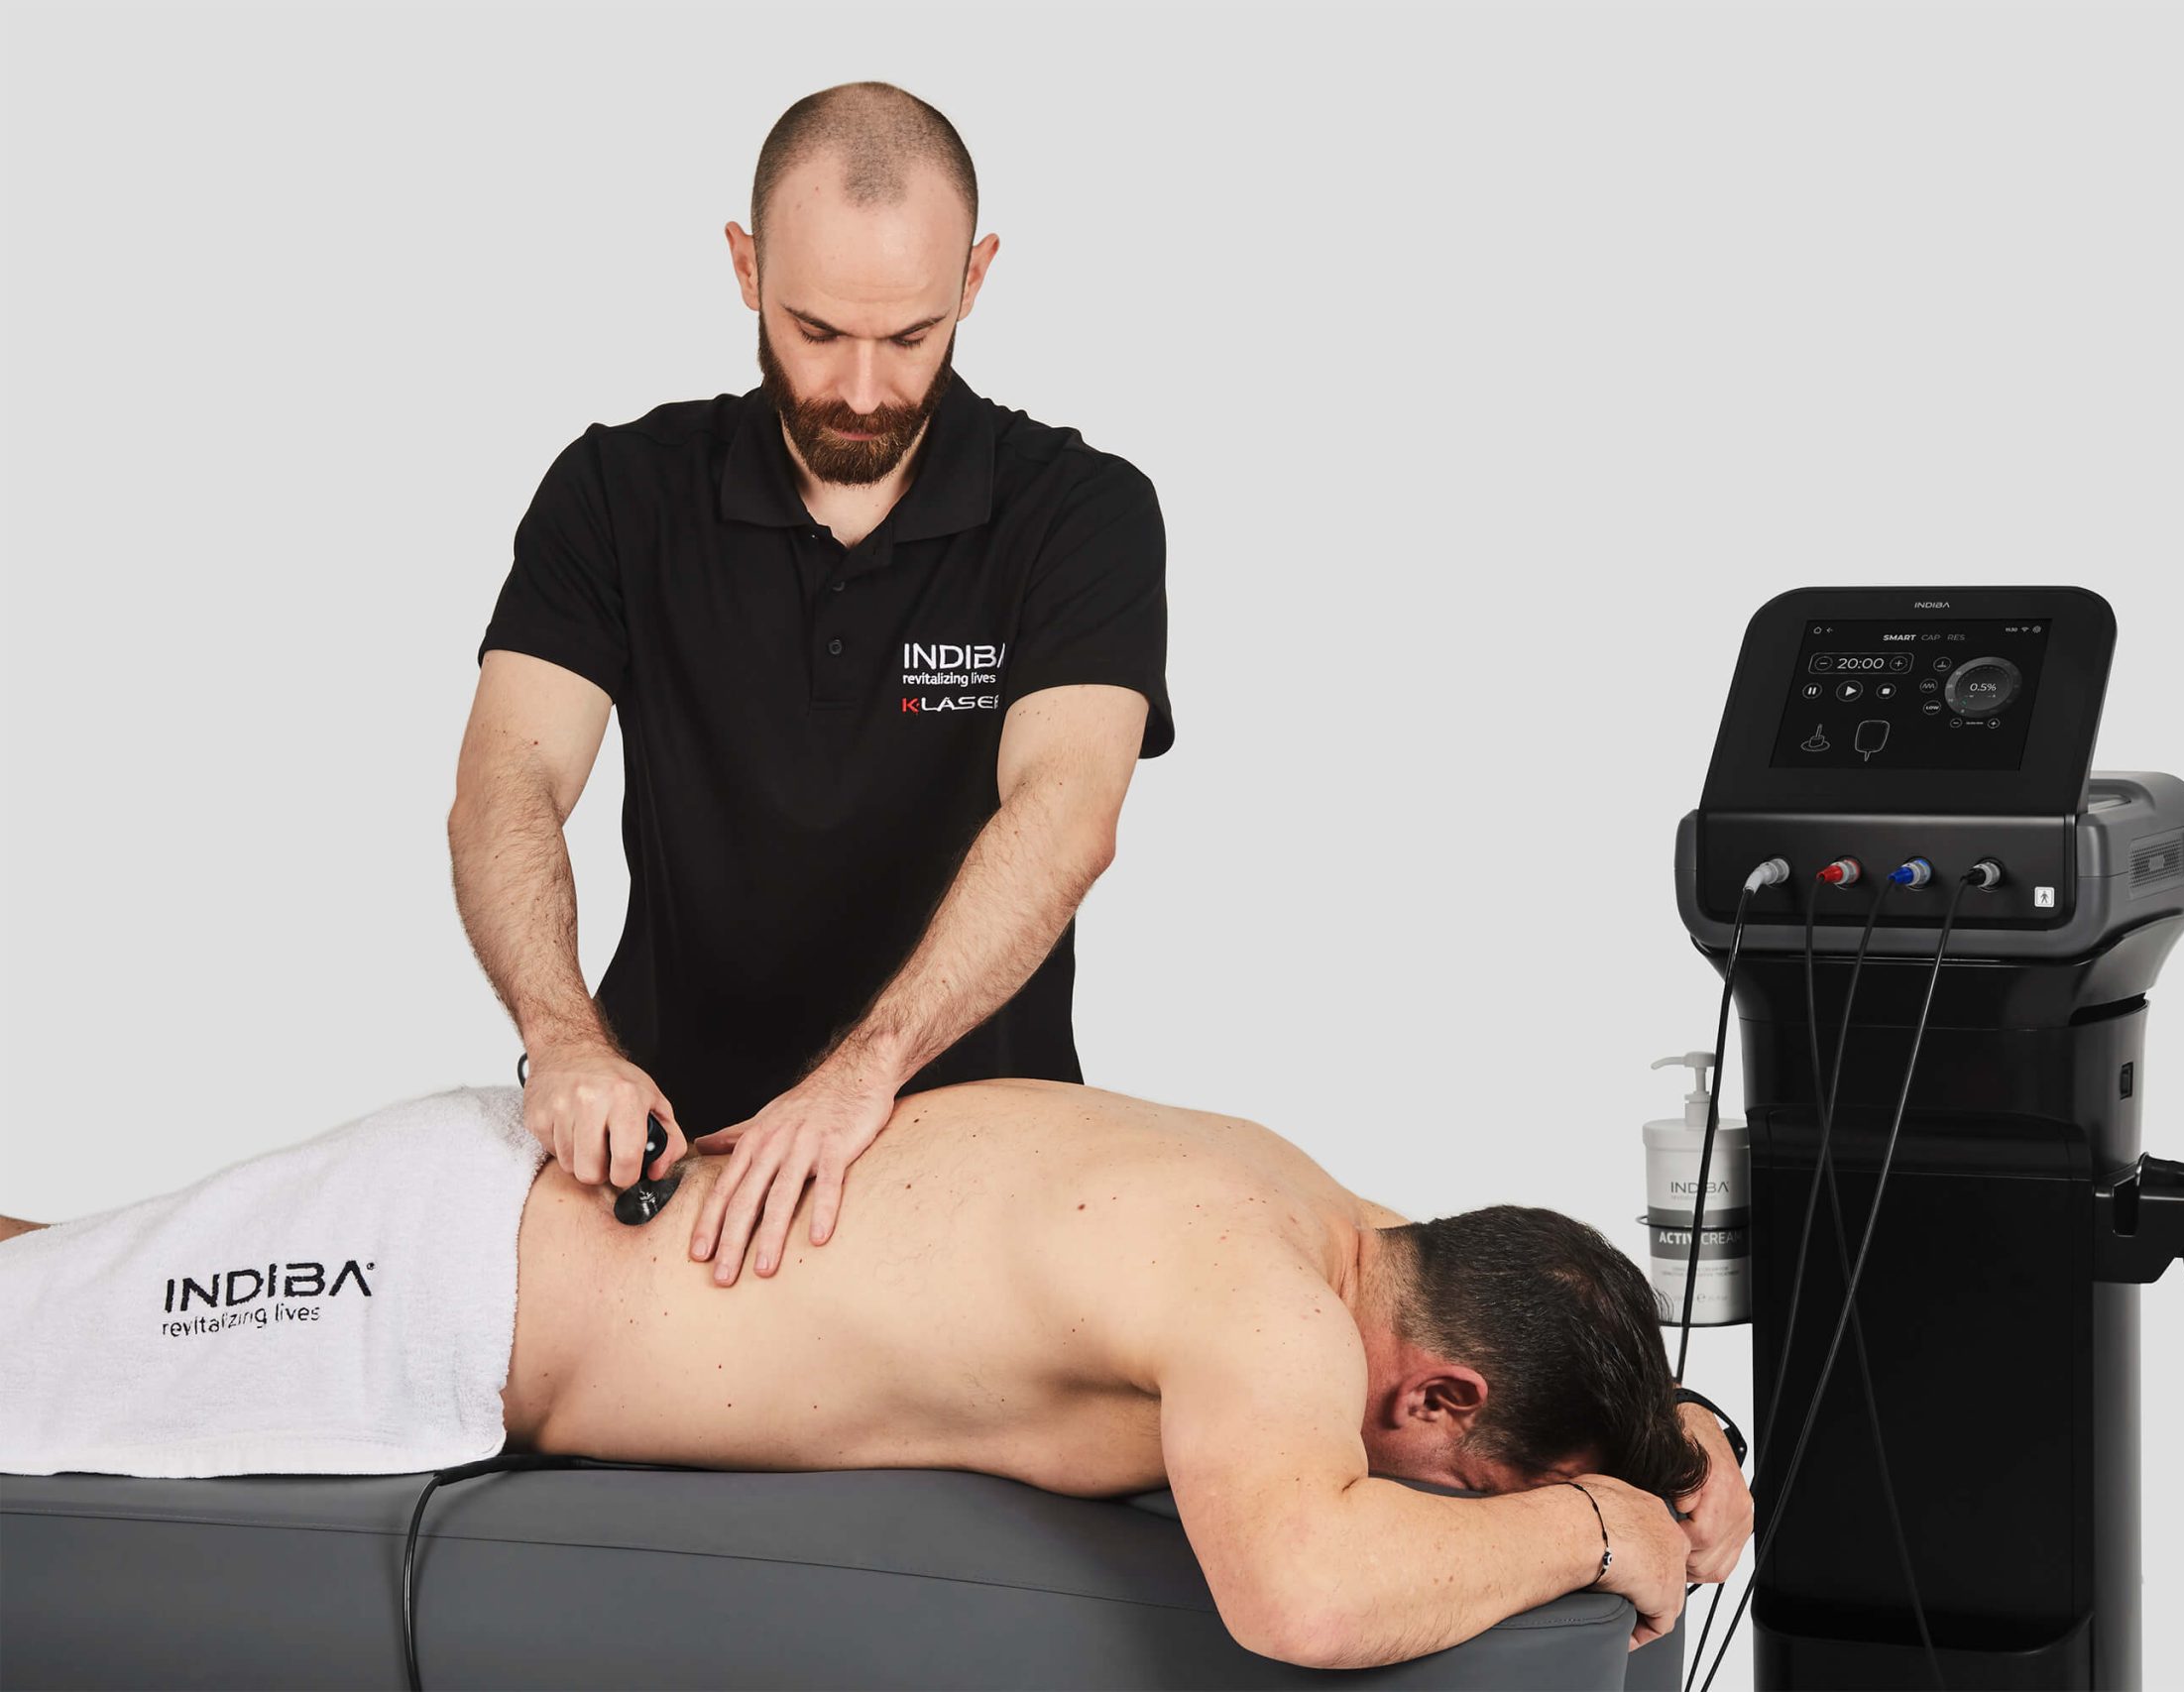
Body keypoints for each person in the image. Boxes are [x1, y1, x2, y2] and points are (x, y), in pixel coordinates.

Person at [0, 1078, 1753, 1670]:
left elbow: (1543, 1318)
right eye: (1456, 1478)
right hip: (424, 1295)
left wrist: (1688, 1436)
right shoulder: (1269, 1311)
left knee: (57, 1273)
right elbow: (1296, 1591)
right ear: (1434, 1394)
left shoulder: (1326, 1217)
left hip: (474, 1230)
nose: (1437, 1509)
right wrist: (1591, 1532)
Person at [449, 80, 1172, 1288]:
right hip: (670, 1163)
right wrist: (566, 1044)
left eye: (911, 337)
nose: (864, 390)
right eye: (817, 331)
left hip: (982, 1169)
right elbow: (506, 782)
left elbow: (1065, 814)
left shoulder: (1083, 514)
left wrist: (861, 1076)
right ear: (745, 267)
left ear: (976, 280)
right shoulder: (617, 493)